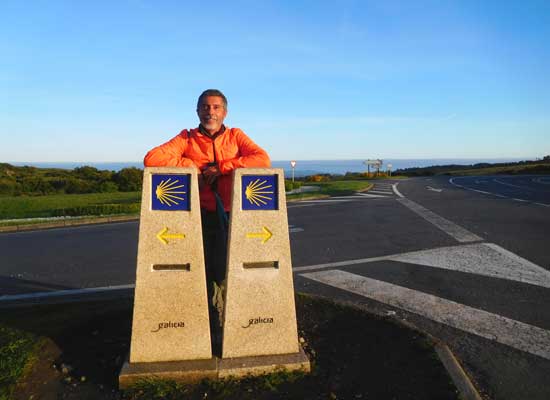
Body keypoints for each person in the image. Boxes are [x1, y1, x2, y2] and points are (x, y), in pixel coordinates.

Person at [143, 89, 270, 341]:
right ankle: (206, 320)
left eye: (215, 107)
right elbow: (152, 158)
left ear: (224, 111)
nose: (209, 112)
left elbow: (262, 159)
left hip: (230, 213)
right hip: (196, 214)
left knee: (227, 268)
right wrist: (191, 166)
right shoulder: (187, 138)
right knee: (200, 269)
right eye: (204, 107)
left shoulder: (235, 136)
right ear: (197, 110)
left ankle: (231, 319)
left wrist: (223, 167)